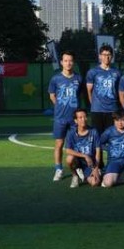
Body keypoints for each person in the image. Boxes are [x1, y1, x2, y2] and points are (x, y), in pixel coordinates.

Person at [48, 50, 83, 181]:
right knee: (59, 143)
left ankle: (78, 167)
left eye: (70, 60)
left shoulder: (79, 78)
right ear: (61, 62)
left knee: (77, 144)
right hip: (60, 118)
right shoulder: (55, 78)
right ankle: (58, 169)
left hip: (75, 119)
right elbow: (52, 95)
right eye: (66, 60)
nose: (68, 63)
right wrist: (60, 106)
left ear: (73, 62)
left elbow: (79, 95)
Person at [86, 45, 120, 167]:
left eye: (109, 55)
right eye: (104, 55)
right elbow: (89, 90)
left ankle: (112, 164)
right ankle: (99, 165)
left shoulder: (116, 72)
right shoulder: (92, 72)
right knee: (97, 139)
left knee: (113, 138)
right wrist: (94, 105)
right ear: (100, 56)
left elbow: (119, 91)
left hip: (112, 110)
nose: (106, 57)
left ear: (112, 56)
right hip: (97, 110)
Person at [64, 109, 102, 188]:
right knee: (69, 158)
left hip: (90, 163)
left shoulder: (94, 131)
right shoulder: (71, 132)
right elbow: (68, 150)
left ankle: (84, 174)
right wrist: (85, 156)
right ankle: (75, 176)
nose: (83, 119)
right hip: (78, 161)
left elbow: (98, 152)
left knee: (95, 183)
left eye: (85, 117)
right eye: (80, 117)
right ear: (76, 120)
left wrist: (96, 167)